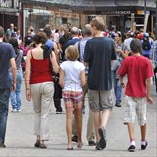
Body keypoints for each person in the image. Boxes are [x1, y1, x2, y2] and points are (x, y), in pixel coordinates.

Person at [84, 16, 116, 151]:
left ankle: (98, 139)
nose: (90, 28)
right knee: (107, 107)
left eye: (91, 26)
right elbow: (113, 60)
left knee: (95, 109)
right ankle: (103, 126)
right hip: (106, 79)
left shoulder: (90, 43)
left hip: (93, 79)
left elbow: (86, 62)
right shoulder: (110, 42)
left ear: (95, 27)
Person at [118, 38, 154, 152]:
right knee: (142, 119)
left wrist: (121, 81)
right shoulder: (146, 61)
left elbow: (121, 73)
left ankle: (132, 141)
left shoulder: (128, 60)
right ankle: (143, 141)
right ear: (141, 48)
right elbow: (149, 80)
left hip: (130, 93)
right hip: (142, 94)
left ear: (131, 49)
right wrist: (148, 95)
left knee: (130, 118)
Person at [25, 32, 59, 148]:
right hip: (47, 82)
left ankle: (38, 138)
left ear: (34, 41)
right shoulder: (50, 52)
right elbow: (56, 69)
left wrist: (27, 89)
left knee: (37, 112)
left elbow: (27, 72)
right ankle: (43, 139)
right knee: (45, 113)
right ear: (44, 41)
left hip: (34, 83)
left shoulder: (30, 53)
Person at [59, 45, 86, 150]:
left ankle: (69, 143)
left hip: (67, 90)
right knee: (78, 117)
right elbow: (83, 82)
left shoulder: (64, 65)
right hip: (77, 91)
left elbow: (61, 81)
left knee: (69, 117)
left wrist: (64, 86)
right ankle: (79, 140)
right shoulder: (81, 65)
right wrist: (80, 84)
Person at [8, 37, 23, 112]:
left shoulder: (9, 52)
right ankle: (19, 107)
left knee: (12, 90)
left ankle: (14, 106)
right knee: (18, 90)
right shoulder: (21, 52)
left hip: (11, 71)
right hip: (19, 71)